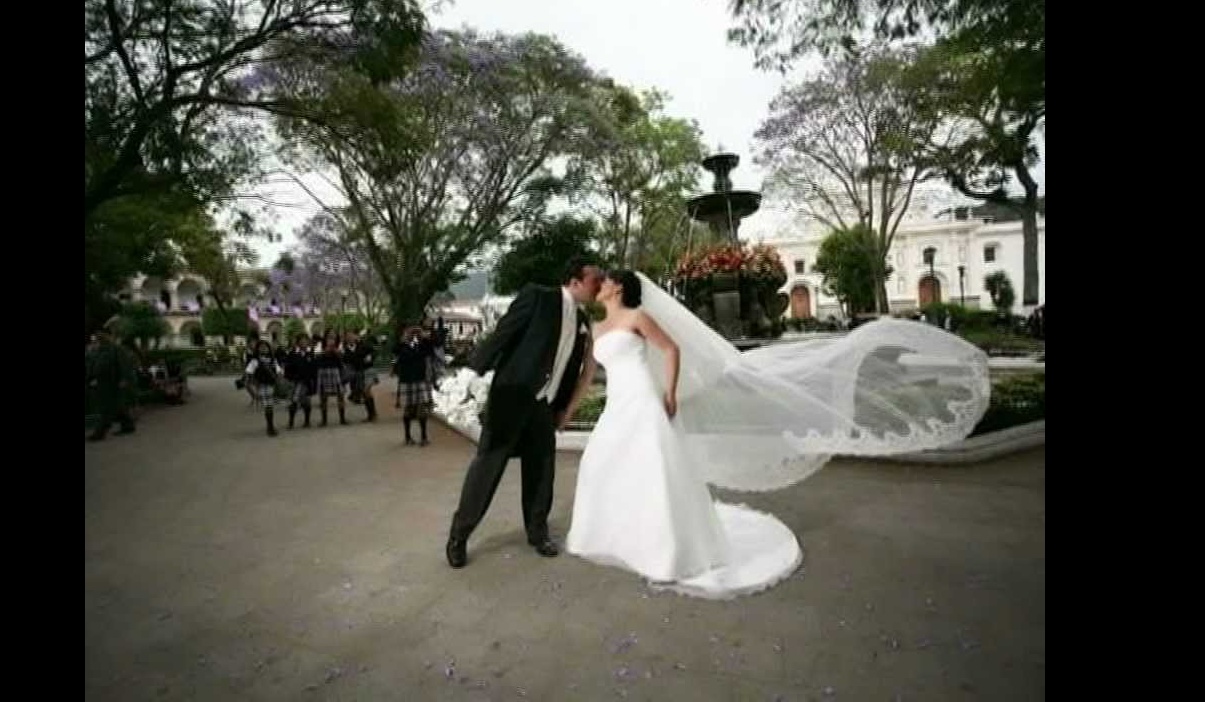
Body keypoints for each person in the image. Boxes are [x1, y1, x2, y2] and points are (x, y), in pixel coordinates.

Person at [558, 271, 990, 599]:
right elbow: (587, 376)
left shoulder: (638, 316)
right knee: (605, 465)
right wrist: (567, 412)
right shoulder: (597, 330)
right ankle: (610, 535)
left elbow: (671, 350)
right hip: (618, 405)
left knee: (655, 472)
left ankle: (666, 550)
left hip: (646, 402)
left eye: (609, 280)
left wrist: (669, 392)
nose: (603, 283)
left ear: (619, 289)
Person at [445, 257, 604, 568]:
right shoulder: (538, 297)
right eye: (594, 280)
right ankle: (459, 535)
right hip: (512, 398)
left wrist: (562, 409)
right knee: (487, 468)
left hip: (543, 407)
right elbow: (503, 334)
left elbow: (570, 370)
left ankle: (538, 531)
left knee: (542, 469)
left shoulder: (584, 322)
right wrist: (472, 370)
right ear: (574, 281)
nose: (598, 285)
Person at [86, 328, 137, 441]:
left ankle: (99, 433)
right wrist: (91, 377)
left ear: (109, 336)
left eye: (102, 335)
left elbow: (124, 365)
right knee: (117, 407)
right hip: (102, 383)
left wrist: (124, 380)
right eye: (98, 336)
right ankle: (128, 426)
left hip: (113, 383)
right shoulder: (98, 349)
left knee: (106, 409)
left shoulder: (116, 349)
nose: (99, 338)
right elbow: (93, 365)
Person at [394, 325, 435, 445]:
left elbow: (431, 350)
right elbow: (395, 354)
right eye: (411, 333)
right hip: (407, 379)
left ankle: (423, 437)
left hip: (420, 379)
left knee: (422, 409)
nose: (413, 335)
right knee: (408, 409)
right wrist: (403, 341)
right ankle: (407, 437)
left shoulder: (422, 345)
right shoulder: (402, 346)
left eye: (415, 333)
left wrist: (425, 337)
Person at [245, 340, 283, 436]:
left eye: (265, 347)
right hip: (262, 386)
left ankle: (270, 427)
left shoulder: (273, 360)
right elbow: (248, 375)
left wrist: (278, 380)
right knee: (268, 407)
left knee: (270, 407)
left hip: (272, 386)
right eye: (261, 347)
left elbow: (279, 372)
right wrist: (253, 392)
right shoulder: (254, 361)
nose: (264, 348)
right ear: (257, 349)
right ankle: (270, 428)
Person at [343, 330, 378, 422]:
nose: (350, 338)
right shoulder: (346, 349)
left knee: (366, 390)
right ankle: (371, 414)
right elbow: (347, 361)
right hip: (359, 372)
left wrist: (370, 357)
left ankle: (372, 414)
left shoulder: (364, 345)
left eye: (351, 336)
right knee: (364, 392)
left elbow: (374, 351)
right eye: (348, 337)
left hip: (368, 370)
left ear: (355, 337)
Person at [315, 331, 348, 426]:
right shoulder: (319, 346)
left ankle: (342, 419)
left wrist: (336, 351)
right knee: (323, 397)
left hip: (336, 371)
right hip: (324, 372)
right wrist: (326, 350)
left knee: (340, 396)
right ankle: (324, 420)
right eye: (329, 336)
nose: (331, 338)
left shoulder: (340, 346)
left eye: (333, 336)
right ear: (325, 337)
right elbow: (317, 357)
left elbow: (343, 358)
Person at [285, 333, 316, 429]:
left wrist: (313, 380)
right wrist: (290, 379)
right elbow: (288, 368)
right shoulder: (293, 353)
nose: (304, 342)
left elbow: (313, 368)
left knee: (307, 402)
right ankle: (291, 422)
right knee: (294, 401)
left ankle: (307, 421)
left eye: (305, 340)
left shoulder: (310, 353)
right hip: (296, 382)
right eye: (301, 340)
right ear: (298, 342)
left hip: (307, 382)